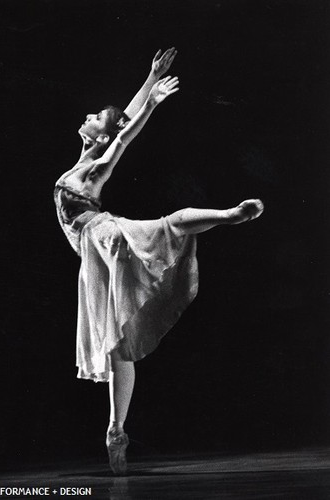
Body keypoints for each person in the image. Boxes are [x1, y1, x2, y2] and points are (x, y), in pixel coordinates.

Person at [54, 48, 264, 475]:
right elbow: (120, 124)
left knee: (169, 226)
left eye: (96, 116)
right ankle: (116, 430)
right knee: (119, 342)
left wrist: (151, 104)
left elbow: (122, 137)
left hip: (104, 240)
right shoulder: (85, 156)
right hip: (94, 255)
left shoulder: (92, 171)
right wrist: (149, 79)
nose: (91, 115)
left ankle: (229, 214)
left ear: (97, 136)